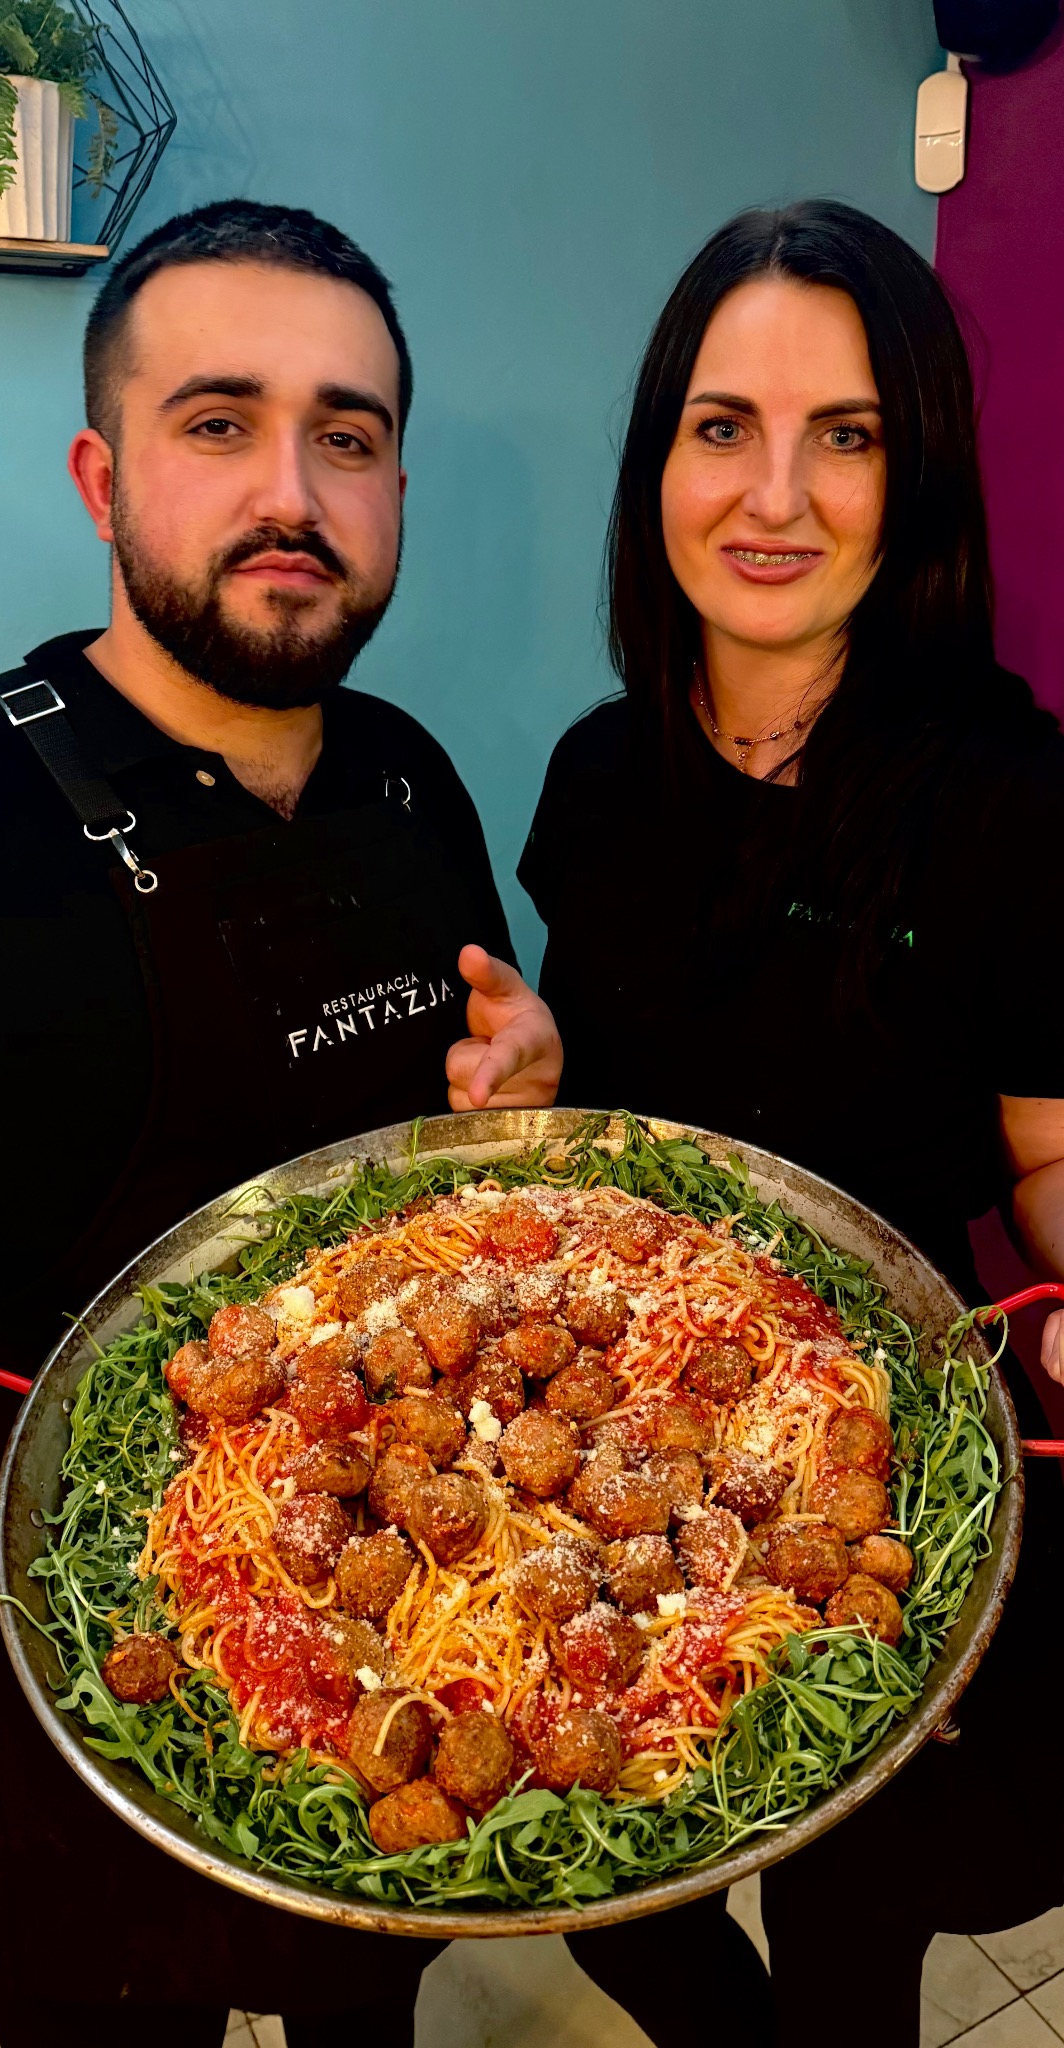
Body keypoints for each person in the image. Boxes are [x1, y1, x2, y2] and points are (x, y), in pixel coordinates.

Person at [0, 197, 561, 2047]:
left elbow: (462, 1121)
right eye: (219, 424)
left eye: (346, 438)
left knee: (367, 1997)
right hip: (95, 1625)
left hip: (402, 1604)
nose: (293, 489)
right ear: (102, 470)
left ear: (396, 488)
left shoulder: (409, 767)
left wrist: (526, 1088)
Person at [520, 200, 1064, 2045]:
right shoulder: (597, 774)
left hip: (880, 1472)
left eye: (849, 435)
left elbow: (1048, 1153)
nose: (777, 496)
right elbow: (604, 1095)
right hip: (615, 1436)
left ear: (916, 478)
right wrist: (533, 1087)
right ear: (659, 455)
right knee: (598, 1885)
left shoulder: (1007, 789)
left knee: (861, 1925)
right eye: (721, 425)